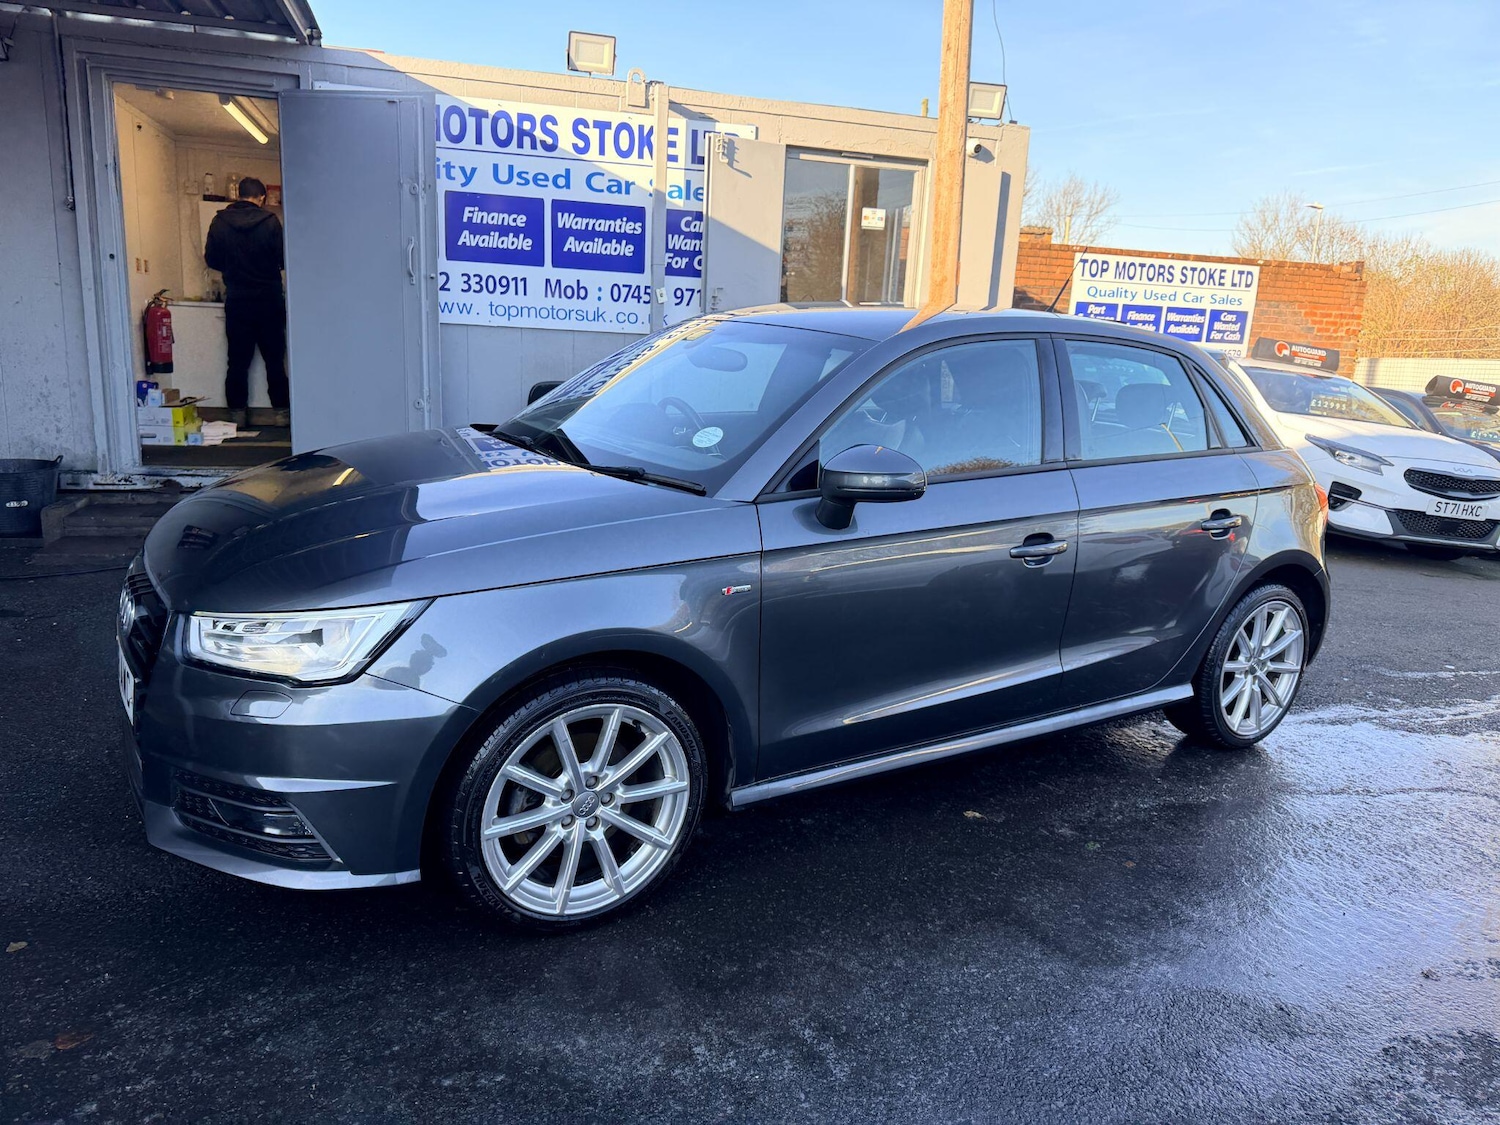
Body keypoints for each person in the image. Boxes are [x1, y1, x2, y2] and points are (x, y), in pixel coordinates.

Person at [203, 177, 289, 428]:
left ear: (237, 196)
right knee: (274, 360)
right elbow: (283, 257)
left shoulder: (219, 222)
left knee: (237, 361)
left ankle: (237, 415)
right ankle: (282, 414)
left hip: (238, 299)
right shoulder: (271, 222)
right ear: (261, 198)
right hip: (269, 299)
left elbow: (212, 259)